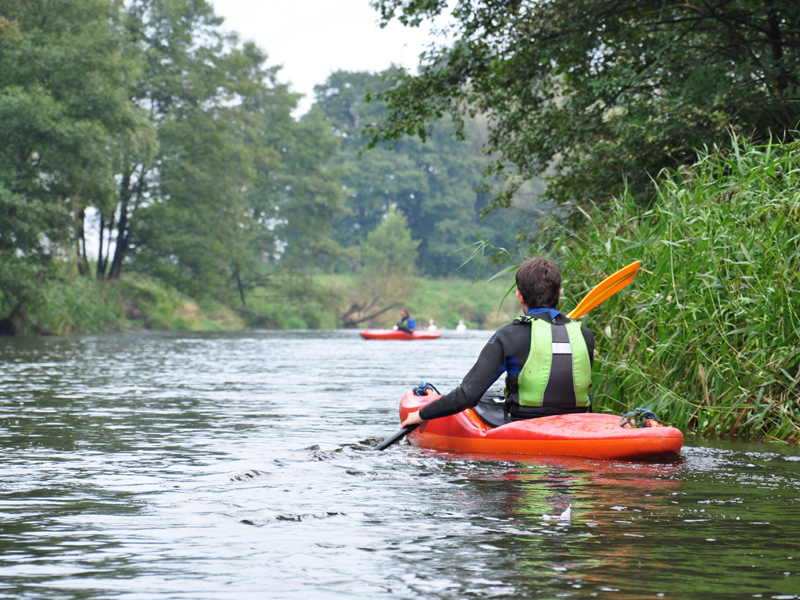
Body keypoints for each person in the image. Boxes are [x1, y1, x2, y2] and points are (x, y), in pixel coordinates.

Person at [401, 257, 594, 427]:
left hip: (525, 423)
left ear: (519, 296)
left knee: (483, 398)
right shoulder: (584, 334)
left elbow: (467, 395)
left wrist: (422, 414)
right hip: (576, 424)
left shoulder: (509, 335)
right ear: (559, 294)